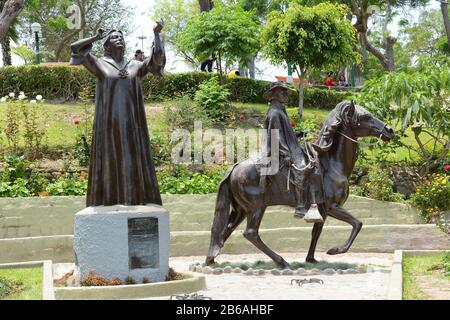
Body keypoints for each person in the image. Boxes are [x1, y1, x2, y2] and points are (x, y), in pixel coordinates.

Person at [69, 21, 166, 207]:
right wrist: (96, 37)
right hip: (109, 123)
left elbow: (156, 61)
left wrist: (156, 34)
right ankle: (112, 200)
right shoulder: (99, 64)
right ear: (106, 46)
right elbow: (75, 48)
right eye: (114, 37)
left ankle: (134, 200)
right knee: (112, 158)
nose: (119, 39)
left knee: (131, 158)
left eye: (121, 37)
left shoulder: (135, 66)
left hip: (132, 123)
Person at [260, 82, 323, 222]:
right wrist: (286, 153)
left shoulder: (280, 110)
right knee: (302, 168)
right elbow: (276, 135)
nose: (286, 95)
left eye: (286, 92)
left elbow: (285, 133)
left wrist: (299, 134)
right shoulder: (274, 113)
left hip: (291, 145)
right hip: (280, 149)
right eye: (284, 92)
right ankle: (300, 206)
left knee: (312, 159)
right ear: (275, 94)